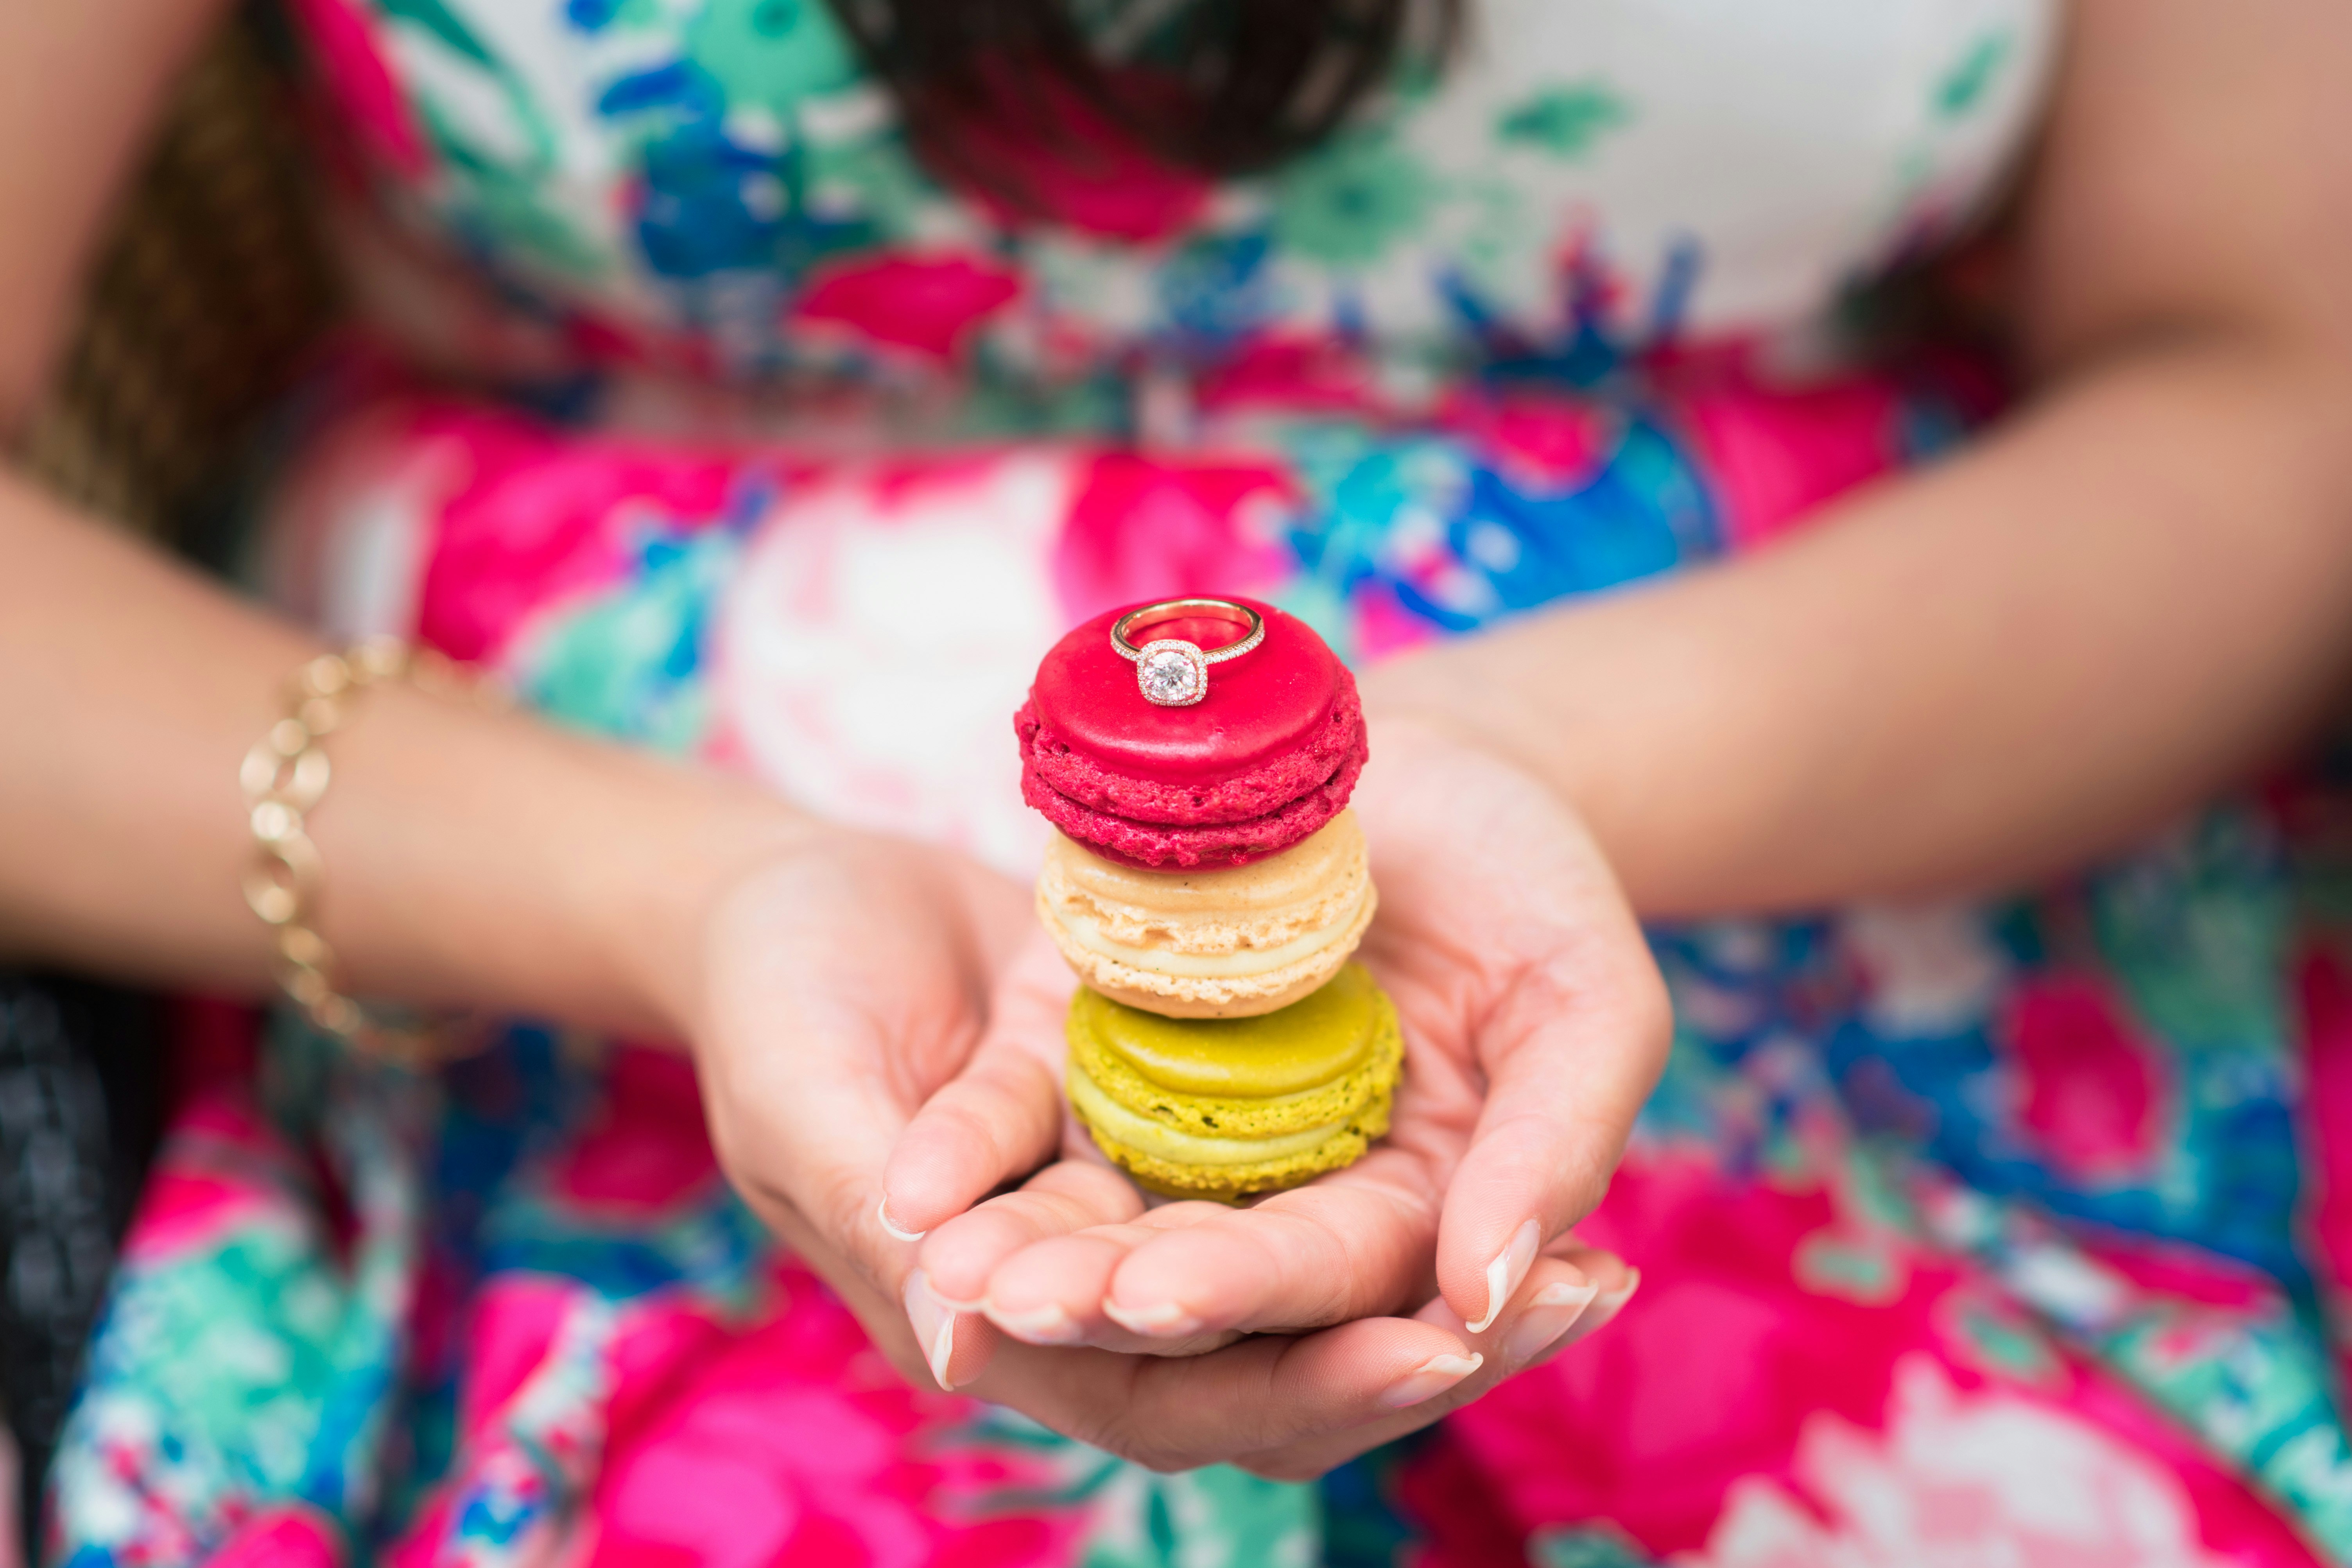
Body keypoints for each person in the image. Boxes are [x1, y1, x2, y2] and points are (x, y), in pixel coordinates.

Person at [4, 0, 2352, 1560]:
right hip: (540, 1010)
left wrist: (1550, 760)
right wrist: (683, 901)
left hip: (1872, 869)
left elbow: (2277, 388)